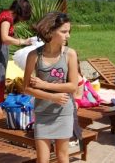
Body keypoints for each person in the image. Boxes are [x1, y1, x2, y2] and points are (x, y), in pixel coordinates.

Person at [23, 12, 78, 162]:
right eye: (64, 31)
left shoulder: (70, 55)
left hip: (64, 112)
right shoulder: (34, 56)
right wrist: (52, 96)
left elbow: (73, 86)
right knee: (42, 159)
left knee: (62, 156)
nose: (68, 36)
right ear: (50, 31)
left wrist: (44, 85)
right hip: (42, 113)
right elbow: (26, 88)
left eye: (69, 31)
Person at [0, 0, 32, 102]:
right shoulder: (7, 18)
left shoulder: (6, 15)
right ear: (21, 11)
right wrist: (23, 41)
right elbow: (4, 37)